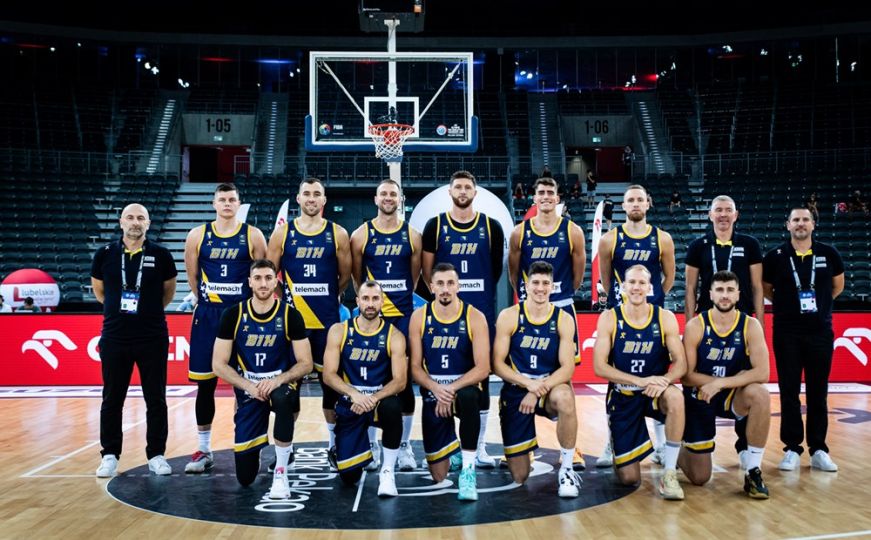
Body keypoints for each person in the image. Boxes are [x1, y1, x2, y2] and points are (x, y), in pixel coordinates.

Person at [421, 170, 504, 469]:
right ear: (450, 191)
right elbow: (427, 272)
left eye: (468, 187)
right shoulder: (435, 226)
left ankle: (478, 447)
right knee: (440, 373)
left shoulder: (491, 227)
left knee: (481, 378)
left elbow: (495, 270)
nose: (463, 191)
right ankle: (448, 443)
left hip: (480, 313)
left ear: (475, 192)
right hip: (443, 314)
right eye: (458, 187)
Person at [182, 182, 267, 474]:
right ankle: (204, 449)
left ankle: (246, 444)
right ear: (214, 204)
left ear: (238, 203)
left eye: (232, 199)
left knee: (246, 385)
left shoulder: (252, 235)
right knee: (205, 385)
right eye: (222, 199)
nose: (227, 204)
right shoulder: (197, 235)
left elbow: (262, 275)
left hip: (243, 316)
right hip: (208, 315)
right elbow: (193, 277)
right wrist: (207, 301)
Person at [268, 177, 351, 471]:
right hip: (293, 326)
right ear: (299, 198)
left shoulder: (338, 233)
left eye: (317, 194)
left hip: (327, 323)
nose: (312, 198)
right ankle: (286, 450)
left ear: (324, 200)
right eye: (307, 193)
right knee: (290, 389)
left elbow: (345, 276)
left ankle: (333, 446)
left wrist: (328, 296)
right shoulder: (282, 233)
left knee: (331, 387)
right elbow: (270, 276)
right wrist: (287, 298)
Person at [211, 259, 313, 497]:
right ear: (250, 282)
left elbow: (306, 362)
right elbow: (218, 364)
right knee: (245, 478)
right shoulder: (233, 315)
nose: (263, 283)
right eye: (258, 278)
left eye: (268, 278)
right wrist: (248, 386)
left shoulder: (290, 315)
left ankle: (281, 471)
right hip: (250, 387)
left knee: (283, 399)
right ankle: (255, 446)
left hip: (280, 383)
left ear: (275, 282)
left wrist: (278, 380)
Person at [91, 203, 177, 478]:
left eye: (141, 218)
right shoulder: (104, 254)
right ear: (121, 222)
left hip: (152, 337)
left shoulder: (161, 255)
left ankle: (156, 455)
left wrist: (147, 312)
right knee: (112, 398)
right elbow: (101, 293)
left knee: (156, 398)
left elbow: (168, 293)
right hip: (115, 337)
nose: (135, 222)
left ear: (148, 223)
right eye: (130, 217)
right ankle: (110, 455)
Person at [508, 176, 587, 470]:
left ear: (557, 197)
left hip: (562, 305)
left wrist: (560, 295)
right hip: (529, 309)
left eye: (550, 192)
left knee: (564, 379)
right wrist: (529, 297)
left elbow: (578, 274)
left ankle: (571, 449)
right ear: (533, 197)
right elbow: (514, 272)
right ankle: (525, 445)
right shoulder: (520, 232)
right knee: (522, 371)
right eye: (540, 192)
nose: (545, 196)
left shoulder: (572, 230)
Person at [591, 265, 687, 500]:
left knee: (675, 396)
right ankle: (618, 443)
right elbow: (599, 367)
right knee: (629, 478)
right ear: (623, 287)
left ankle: (669, 472)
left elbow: (681, 363)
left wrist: (665, 380)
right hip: (624, 395)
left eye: (642, 283)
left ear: (650, 287)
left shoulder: (664, 317)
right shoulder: (610, 318)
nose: (636, 287)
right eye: (632, 282)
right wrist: (641, 381)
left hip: (655, 393)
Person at [597, 184, 675, 466]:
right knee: (615, 379)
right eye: (630, 200)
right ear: (624, 205)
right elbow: (606, 280)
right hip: (621, 316)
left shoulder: (662, 238)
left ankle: (662, 445)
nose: (635, 204)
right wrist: (624, 301)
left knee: (657, 375)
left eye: (640, 199)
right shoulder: (610, 239)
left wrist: (651, 299)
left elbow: (668, 277)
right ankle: (612, 442)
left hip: (652, 316)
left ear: (648, 203)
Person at [684, 195, 765, 465]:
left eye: (728, 210)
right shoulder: (698, 246)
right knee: (698, 379)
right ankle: (692, 440)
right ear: (710, 215)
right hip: (708, 324)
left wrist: (760, 324)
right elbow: (690, 289)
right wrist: (690, 323)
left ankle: (746, 449)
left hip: (740, 325)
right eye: (718, 210)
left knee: (746, 382)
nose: (722, 214)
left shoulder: (750, 244)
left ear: (735, 215)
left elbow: (757, 288)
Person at [763, 207, 844, 472]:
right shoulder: (775, 256)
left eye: (805, 219)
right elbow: (767, 289)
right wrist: (789, 305)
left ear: (813, 224)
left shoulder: (829, 253)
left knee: (818, 392)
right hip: (787, 332)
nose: (800, 223)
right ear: (788, 225)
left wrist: (820, 306)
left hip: (820, 332)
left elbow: (837, 286)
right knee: (789, 392)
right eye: (796, 219)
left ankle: (819, 449)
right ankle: (792, 448)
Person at [349, 179, 422, 472]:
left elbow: (414, 278)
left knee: (404, 384)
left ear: (400, 199)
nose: (388, 198)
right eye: (384, 194)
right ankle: (370, 445)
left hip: (402, 317)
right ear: (375, 199)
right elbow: (357, 279)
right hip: (371, 317)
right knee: (367, 379)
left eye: (393, 193)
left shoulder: (412, 236)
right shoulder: (360, 234)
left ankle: (404, 446)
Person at [493, 261, 582, 497]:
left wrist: (536, 390)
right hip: (516, 389)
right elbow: (497, 364)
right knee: (519, 476)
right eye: (535, 283)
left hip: (548, 388)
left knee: (565, 396)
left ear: (552, 286)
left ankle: (567, 469)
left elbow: (567, 368)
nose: (540, 288)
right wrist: (527, 385)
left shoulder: (563, 319)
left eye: (545, 283)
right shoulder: (509, 316)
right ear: (526, 285)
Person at [679, 271, 771, 499]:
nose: (725, 295)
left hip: (731, 393)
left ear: (738, 294)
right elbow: (687, 376)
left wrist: (720, 383)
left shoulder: (750, 325)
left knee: (760, 394)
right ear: (710, 294)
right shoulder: (696, 326)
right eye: (719, 290)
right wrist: (720, 383)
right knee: (700, 478)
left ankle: (753, 471)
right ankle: (680, 450)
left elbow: (763, 373)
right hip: (700, 395)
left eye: (730, 290)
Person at [409, 263, 490, 501]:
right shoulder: (419, 317)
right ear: (431, 287)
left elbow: (483, 367)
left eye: (450, 283)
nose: (446, 289)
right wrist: (437, 389)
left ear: (458, 286)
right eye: (440, 284)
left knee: (468, 397)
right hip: (433, 392)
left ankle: (468, 470)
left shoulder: (474, 317)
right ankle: (453, 450)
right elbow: (415, 368)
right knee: (438, 475)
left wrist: (451, 389)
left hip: (464, 388)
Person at [322, 280, 407, 496]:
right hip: (351, 404)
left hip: (378, 402)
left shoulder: (394, 335)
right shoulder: (339, 331)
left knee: (393, 406)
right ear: (358, 301)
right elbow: (328, 375)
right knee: (349, 478)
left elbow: (400, 381)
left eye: (375, 298)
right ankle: (342, 448)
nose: (370, 304)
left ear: (382, 301)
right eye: (366, 298)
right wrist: (354, 394)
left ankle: (387, 472)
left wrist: (372, 398)